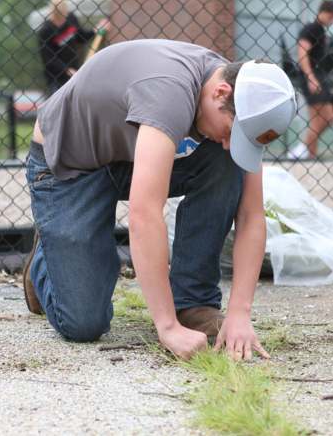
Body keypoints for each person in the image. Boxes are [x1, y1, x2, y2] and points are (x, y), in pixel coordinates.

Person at [23, 39, 297, 361]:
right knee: (82, 323)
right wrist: (166, 328)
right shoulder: (169, 92)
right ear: (220, 93)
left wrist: (240, 313)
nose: (228, 144)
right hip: (71, 166)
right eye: (232, 132)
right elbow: (145, 215)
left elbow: (251, 216)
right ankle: (46, 261)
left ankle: (193, 302)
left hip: (129, 152)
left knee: (227, 163)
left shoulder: (243, 93)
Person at [288, 0, 333, 160]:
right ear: (326, 12)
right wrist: (311, 77)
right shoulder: (312, 29)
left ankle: (310, 155)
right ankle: (301, 149)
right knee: (328, 117)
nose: (332, 21)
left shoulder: (319, 30)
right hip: (312, 76)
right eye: (332, 17)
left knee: (317, 120)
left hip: (317, 76)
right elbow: (302, 53)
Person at [37, 0, 107, 94]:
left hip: (74, 69)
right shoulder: (45, 31)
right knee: (59, 101)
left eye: (64, 16)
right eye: (59, 19)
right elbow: (49, 59)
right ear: (53, 14)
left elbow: (81, 38)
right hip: (57, 77)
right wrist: (67, 70)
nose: (62, 21)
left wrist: (97, 29)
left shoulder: (71, 19)